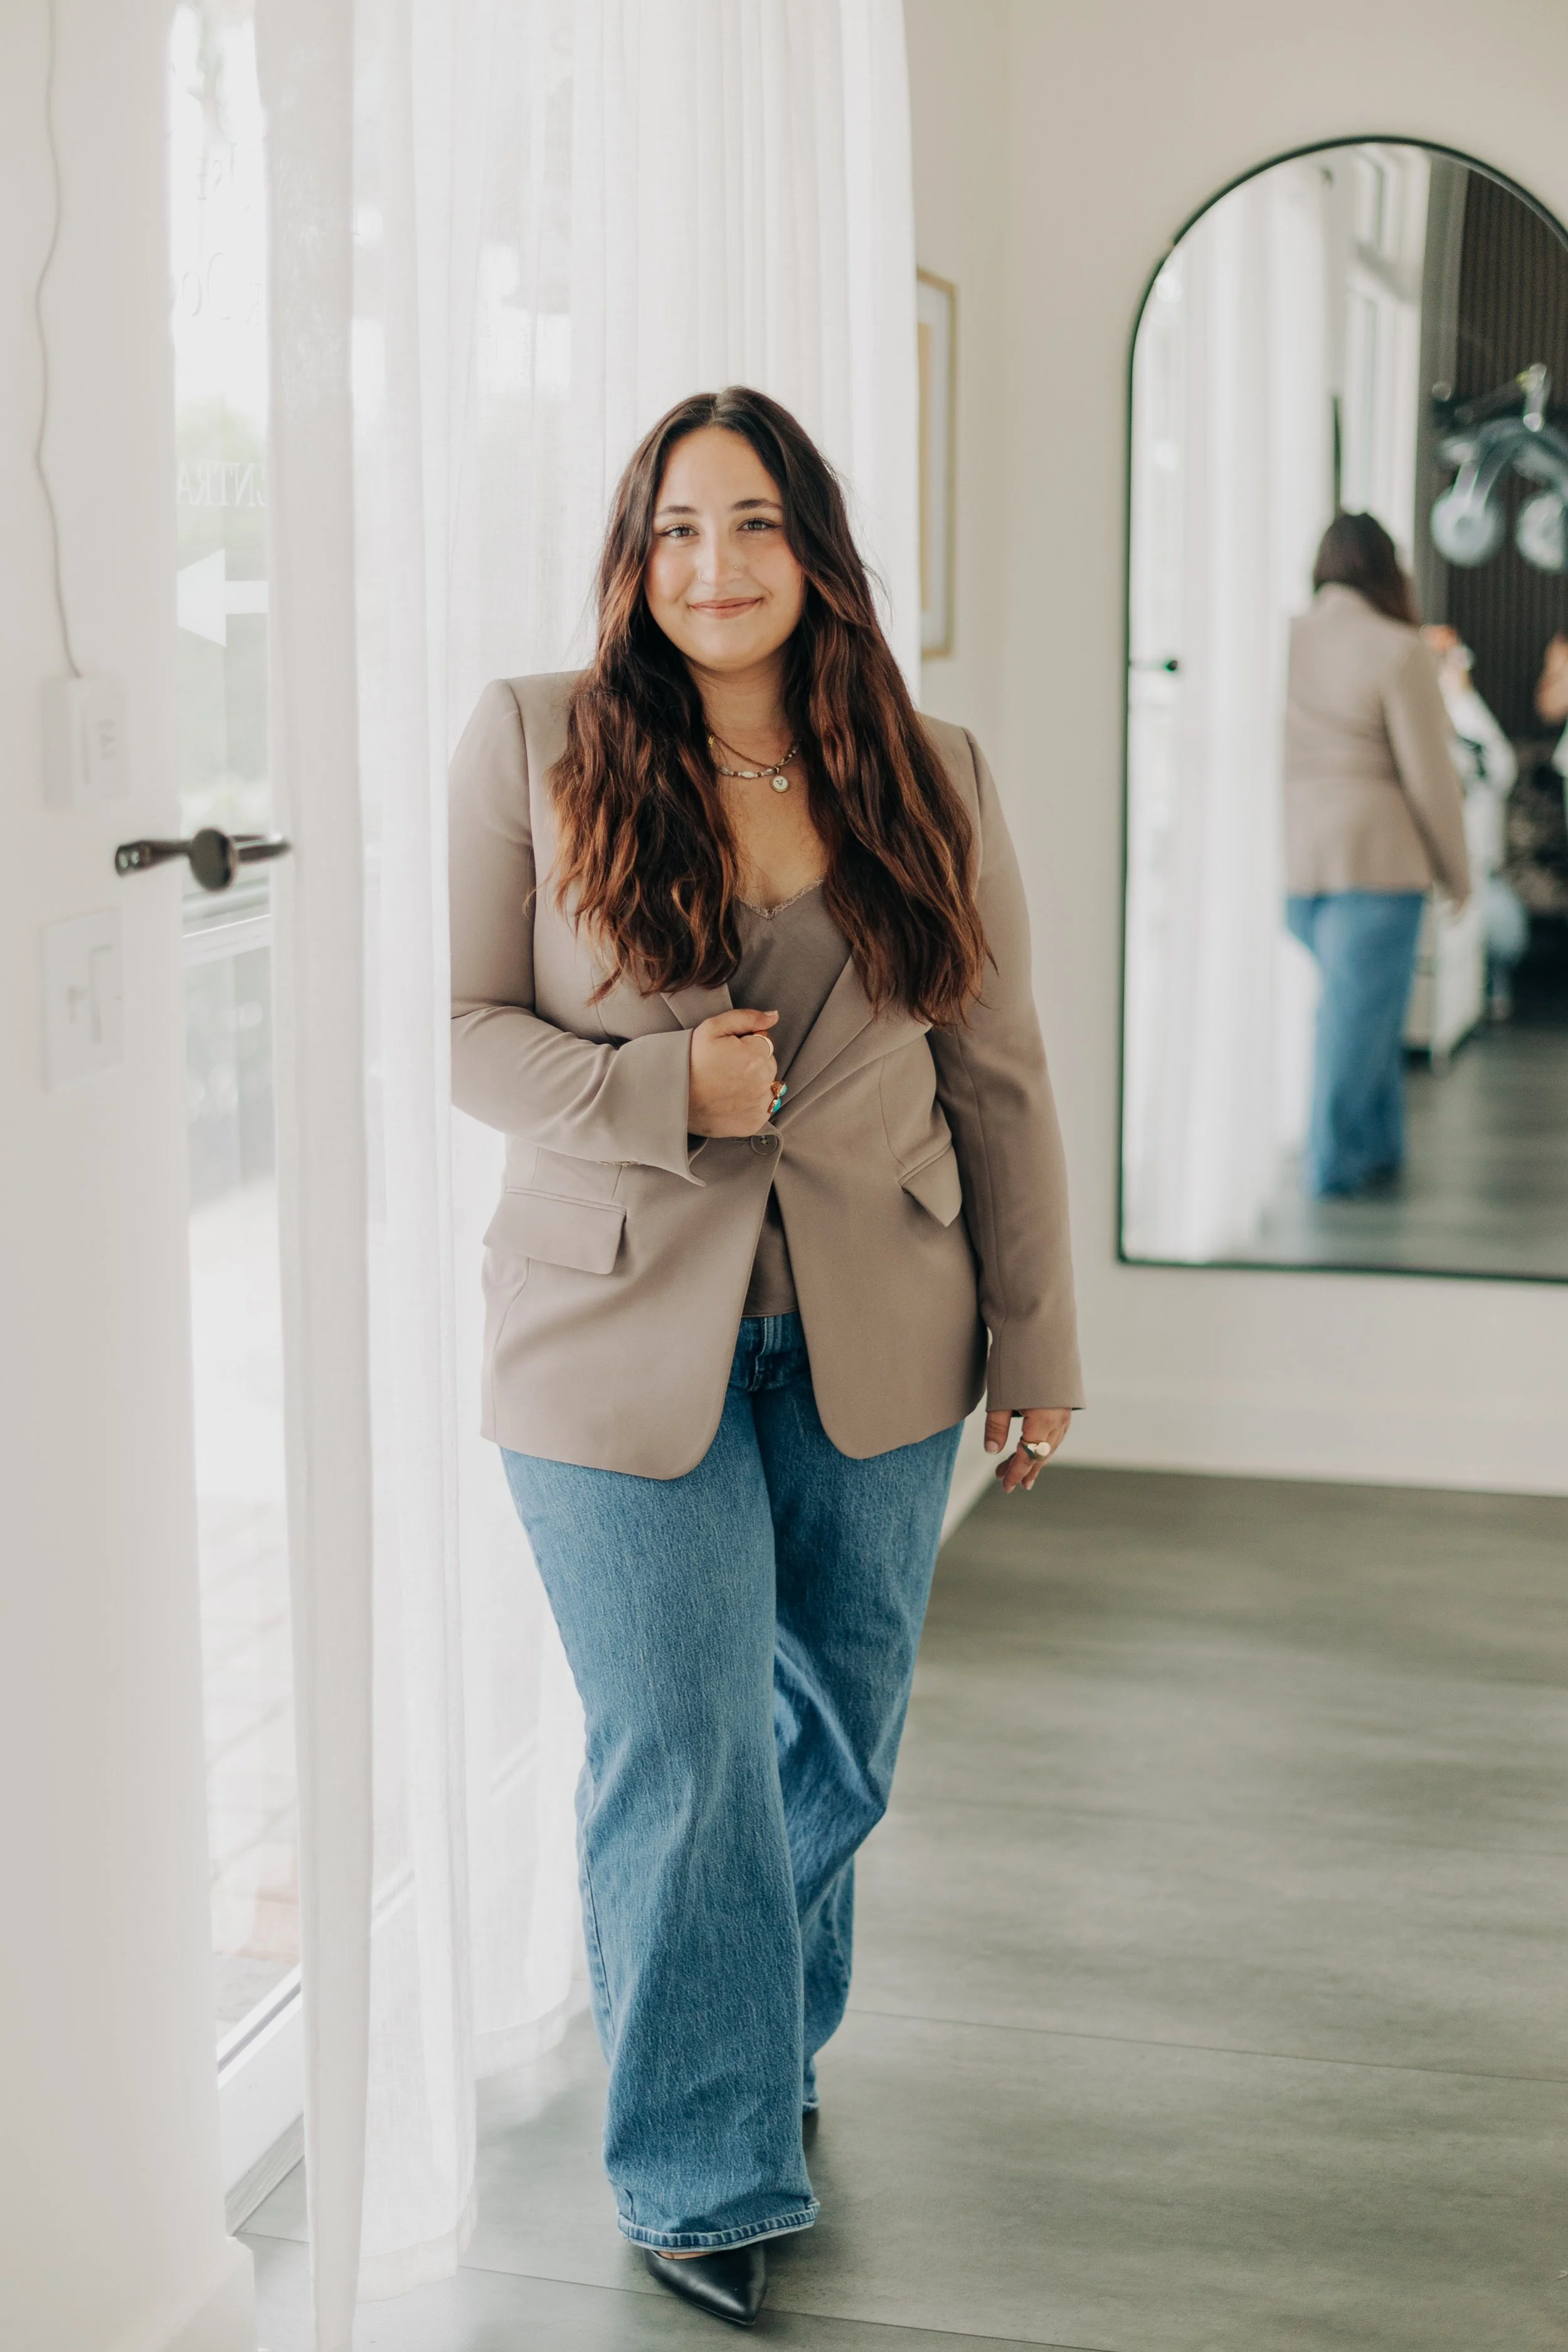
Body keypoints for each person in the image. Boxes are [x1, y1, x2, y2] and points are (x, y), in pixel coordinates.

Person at [447, 386, 1081, 2328]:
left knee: (833, 1734)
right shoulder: (535, 735)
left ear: (812, 549)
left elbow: (997, 1071)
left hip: (876, 1334)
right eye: (670, 532)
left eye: (747, 526)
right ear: (631, 560)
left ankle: (742, 2025)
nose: (708, 569)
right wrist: (656, 1085)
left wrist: (1036, 1338)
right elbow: (466, 1031)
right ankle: (702, 2160)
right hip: (606, 1338)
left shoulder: (927, 764)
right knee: (685, 1743)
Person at [1283, 512, 1471, 1197]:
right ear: (1388, 569)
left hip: (1293, 865)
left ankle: (1380, 1150)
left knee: (1363, 1015)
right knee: (1356, 1022)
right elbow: (1432, 779)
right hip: (1376, 862)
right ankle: (1332, 1169)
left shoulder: (1284, 639)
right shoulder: (1398, 648)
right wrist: (1459, 873)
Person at [1424, 625, 1527, 1018]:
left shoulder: (1467, 708)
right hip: (1447, 860)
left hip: (1484, 862)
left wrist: (1461, 692)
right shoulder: (1424, 704)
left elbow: (1501, 768)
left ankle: (1490, 989)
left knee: (1504, 932)